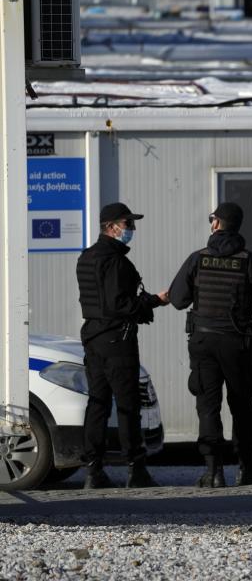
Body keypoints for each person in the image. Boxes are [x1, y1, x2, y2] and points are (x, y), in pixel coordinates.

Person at [168, 202, 252, 487]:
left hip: (203, 342)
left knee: (207, 405)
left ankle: (213, 471)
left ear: (217, 224)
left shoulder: (198, 259)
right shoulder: (250, 261)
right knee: (242, 406)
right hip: (237, 345)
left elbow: (178, 299)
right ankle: (247, 468)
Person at [76, 203, 168, 489]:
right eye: (128, 224)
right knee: (128, 405)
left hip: (93, 337)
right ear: (112, 226)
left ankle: (93, 470)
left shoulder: (86, 257)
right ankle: (136, 469)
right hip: (118, 339)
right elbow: (119, 305)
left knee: (98, 403)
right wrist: (154, 300)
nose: (132, 229)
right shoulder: (115, 261)